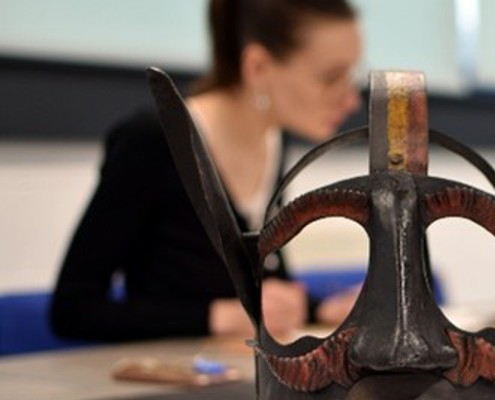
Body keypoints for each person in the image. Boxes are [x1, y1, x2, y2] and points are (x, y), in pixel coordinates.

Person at [50, 0, 362, 341]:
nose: (351, 99)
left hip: (234, 376)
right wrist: (215, 317)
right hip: (172, 380)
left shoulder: (273, 140)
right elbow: (72, 311)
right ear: (257, 67)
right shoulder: (154, 140)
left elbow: (257, 286)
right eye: (332, 77)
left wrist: (321, 309)